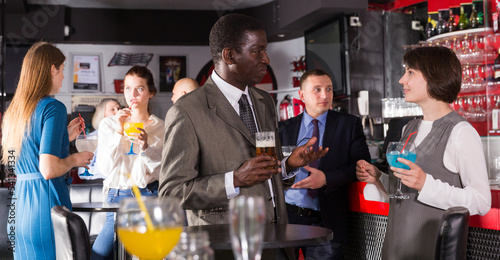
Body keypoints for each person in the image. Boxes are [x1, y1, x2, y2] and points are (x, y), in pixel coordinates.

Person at [160, 13, 327, 260]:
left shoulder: (264, 102)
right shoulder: (187, 111)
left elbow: (265, 171)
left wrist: (288, 164)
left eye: (265, 50)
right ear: (229, 55)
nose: (266, 59)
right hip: (225, 247)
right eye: (257, 51)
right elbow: (171, 192)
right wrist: (234, 180)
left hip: (276, 243)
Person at [356, 46, 491, 259]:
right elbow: (402, 193)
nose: (402, 80)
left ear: (434, 76)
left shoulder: (461, 132)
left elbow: (481, 201)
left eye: (410, 72)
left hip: (431, 250)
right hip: (396, 247)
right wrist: (379, 178)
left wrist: (425, 183)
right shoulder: (409, 128)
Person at [1, 41, 93, 260]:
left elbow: (30, 152)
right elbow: (49, 169)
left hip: (20, 209)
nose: (63, 77)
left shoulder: (16, 110)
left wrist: (64, 137)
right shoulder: (54, 107)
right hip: (45, 205)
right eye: (62, 70)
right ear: (52, 69)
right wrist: (75, 159)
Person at [279, 69, 370, 260]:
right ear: (301, 95)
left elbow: (362, 166)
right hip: (287, 218)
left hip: (326, 219)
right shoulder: (284, 128)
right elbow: (274, 170)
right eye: (317, 89)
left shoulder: (349, 124)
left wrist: (327, 179)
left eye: (329, 89)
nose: (325, 95)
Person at [91, 66, 164, 260]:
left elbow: (161, 171)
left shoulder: (161, 127)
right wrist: (118, 131)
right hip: (117, 197)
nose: (132, 94)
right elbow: (105, 168)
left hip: (149, 195)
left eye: (139, 88)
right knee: (99, 255)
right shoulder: (109, 124)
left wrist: (146, 147)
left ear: (151, 93)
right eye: (127, 88)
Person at [78, 98, 121, 180]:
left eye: (119, 108)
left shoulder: (124, 135)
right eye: (112, 109)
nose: (118, 112)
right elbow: (83, 172)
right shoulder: (92, 138)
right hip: (101, 185)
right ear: (103, 114)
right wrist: (111, 173)